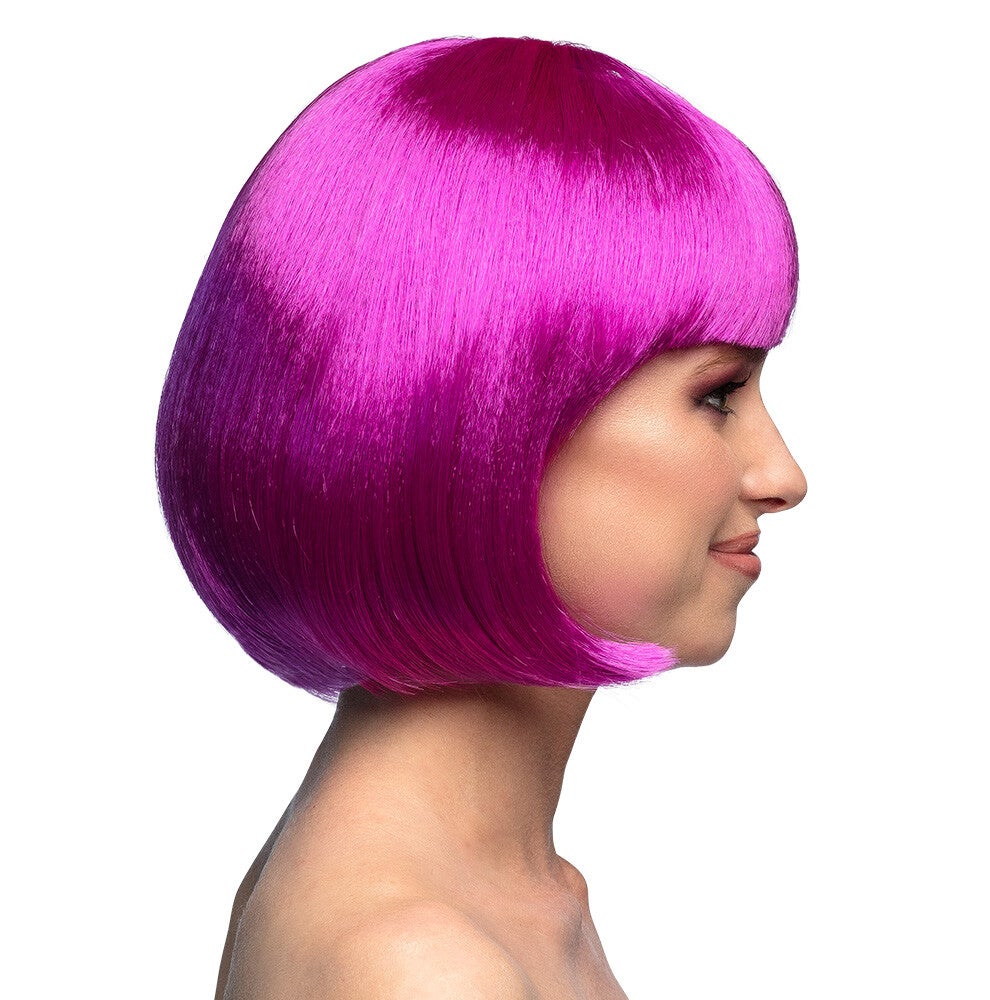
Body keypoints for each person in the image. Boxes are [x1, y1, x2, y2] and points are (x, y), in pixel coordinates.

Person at [155, 34, 807, 999]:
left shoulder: (489, 904)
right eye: (717, 395)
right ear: (482, 420)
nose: (783, 476)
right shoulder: (421, 962)